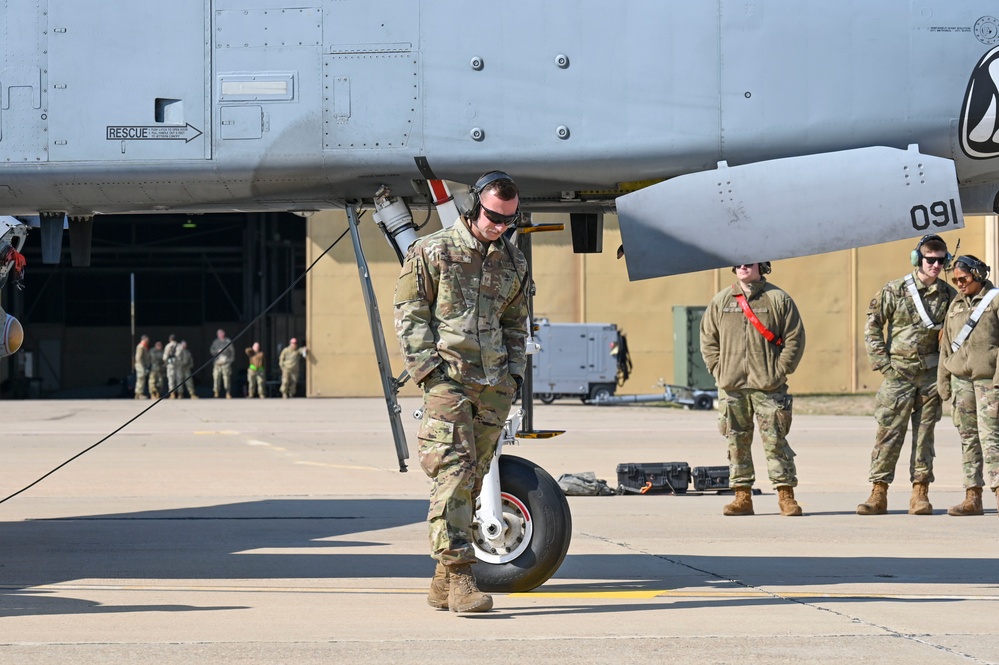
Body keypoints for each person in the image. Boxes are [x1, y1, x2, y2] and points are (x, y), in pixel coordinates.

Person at [394, 171, 528, 613]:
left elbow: (514, 323)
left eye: (508, 219)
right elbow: (410, 314)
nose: (499, 225)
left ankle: (440, 582)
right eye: (492, 216)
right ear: (474, 207)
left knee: (471, 480)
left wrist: (515, 377)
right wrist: (429, 373)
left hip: (493, 386)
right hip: (447, 380)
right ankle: (461, 578)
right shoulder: (432, 250)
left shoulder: (512, 261)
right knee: (451, 477)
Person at [857, 235, 956, 516]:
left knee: (925, 437)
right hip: (897, 375)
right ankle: (878, 492)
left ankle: (920, 493)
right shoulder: (895, 289)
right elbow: (873, 326)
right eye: (930, 260)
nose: (935, 265)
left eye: (940, 260)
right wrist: (884, 365)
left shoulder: (948, 296)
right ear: (918, 260)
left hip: (929, 378)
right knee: (888, 434)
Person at [700, 261, 806, 516]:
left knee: (776, 442)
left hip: (768, 386)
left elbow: (794, 338)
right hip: (732, 387)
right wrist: (718, 370)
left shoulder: (778, 299)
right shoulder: (721, 301)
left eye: (750, 262)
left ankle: (785, 496)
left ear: (762, 266)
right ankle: (742, 497)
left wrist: (779, 371)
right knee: (736, 443)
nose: (743, 266)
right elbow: (708, 339)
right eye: (738, 263)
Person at [938, 255, 999, 517]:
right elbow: (946, 346)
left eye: (963, 278)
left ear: (978, 275)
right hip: (961, 381)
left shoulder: (995, 301)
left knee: (991, 438)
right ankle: (972, 495)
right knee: (968, 438)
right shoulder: (955, 306)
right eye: (955, 280)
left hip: (988, 381)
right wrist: (943, 379)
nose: (959, 283)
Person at [209, 328, 235, 398]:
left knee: (226, 378)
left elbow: (232, 352)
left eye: (220, 333)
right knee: (216, 377)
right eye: (218, 334)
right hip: (217, 362)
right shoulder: (215, 342)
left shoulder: (228, 341)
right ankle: (216, 392)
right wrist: (217, 351)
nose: (219, 335)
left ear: (223, 334)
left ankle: (228, 392)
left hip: (225, 362)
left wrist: (230, 361)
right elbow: (211, 350)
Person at [134, 335, 151, 399]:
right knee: (141, 379)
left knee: (142, 379)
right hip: (140, 365)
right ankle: (139, 393)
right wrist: (142, 365)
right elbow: (138, 357)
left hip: (142, 365)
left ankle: (139, 393)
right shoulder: (141, 346)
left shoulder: (144, 346)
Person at [163, 334, 179, 398]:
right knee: (179, 379)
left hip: (170, 365)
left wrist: (166, 363)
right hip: (178, 366)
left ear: (170, 339)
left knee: (171, 379)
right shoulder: (179, 346)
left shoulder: (168, 346)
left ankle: (172, 394)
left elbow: (165, 357)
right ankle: (180, 394)